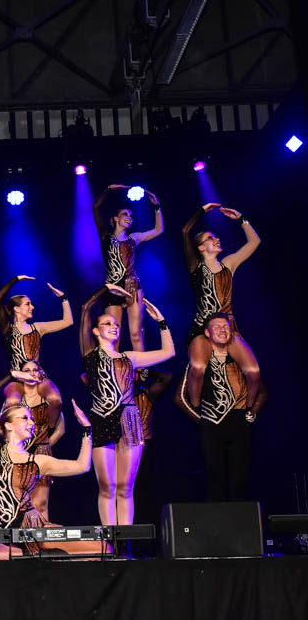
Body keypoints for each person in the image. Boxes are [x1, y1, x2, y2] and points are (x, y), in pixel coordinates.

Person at [0, 400, 100, 560]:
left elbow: (82, 466)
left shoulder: (38, 461)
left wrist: (87, 429)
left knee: (102, 547)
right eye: (25, 418)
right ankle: (31, 555)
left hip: (34, 529)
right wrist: (10, 383)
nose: (32, 423)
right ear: (9, 425)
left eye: (31, 419)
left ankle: (33, 553)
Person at [79, 292, 174, 526]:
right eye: (107, 323)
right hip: (101, 419)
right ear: (95, 331)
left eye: (115, 324)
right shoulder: (90, 355)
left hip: (130, 419)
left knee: (125, 487)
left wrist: (161, 322)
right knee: (107, 486)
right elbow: (85, 309)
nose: (114, 326)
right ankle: (110, 540)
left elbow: (168, 352)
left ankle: (125, 541)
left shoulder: (129, 357)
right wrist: (105, 290)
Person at [181, 203, 262, 415]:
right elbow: (185, 231)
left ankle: (247, 411)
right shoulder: (196, 267)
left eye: (216, 237)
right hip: (202, 328)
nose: (216, 239)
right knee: (199, 368)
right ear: (200, 248)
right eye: (210, 238)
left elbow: (255, 242)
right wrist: (202, 210)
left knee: (253, 371)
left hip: (228, 327)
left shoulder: (229, 264)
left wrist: (241, 219)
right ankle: (196, 408)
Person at [189, 313, 266, 501]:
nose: (223, 330)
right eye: (217, 327)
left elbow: (262, 390)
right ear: (207, 333)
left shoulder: (239, 362)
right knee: (215, 475)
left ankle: (240, 517)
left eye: (225, 326)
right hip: (212, 423)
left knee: (239, 477)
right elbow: (180, 397)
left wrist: (251, 412)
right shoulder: (200, 362)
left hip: (239, 422)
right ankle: (216, 518)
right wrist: (198, 416)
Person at [0, 359, 63, 521]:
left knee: (40, 503)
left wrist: (44, 445)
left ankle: (42, 535)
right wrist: (13, 446)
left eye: (34, 370)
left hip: (40, 453)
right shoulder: (13, 400)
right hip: (17, 453)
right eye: (26, 370)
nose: (31, 373)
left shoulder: (47, 400)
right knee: (22, 503)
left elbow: (59, 429)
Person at [92, 185, 164, 350]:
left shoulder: (134, 238)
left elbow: (158, 229)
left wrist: (156, 206)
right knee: (112, 338)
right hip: (112, 288)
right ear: (116, 218)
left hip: (132, 286)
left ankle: (141, 366)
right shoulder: (105, 237)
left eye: (131, 216)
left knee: (135, 333)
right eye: (125, 214)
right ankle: (115, 367)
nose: (129, 218)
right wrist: (108, 190)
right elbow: (96, 207)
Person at [0, 275, 72, 402]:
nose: (32, 307)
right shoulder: (8, 329)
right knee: (13, 402)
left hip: (39, 376)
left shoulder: (38, 327)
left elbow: (67, 321)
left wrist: (64, 298)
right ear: (16, 309)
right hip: (18, 379)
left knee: (55, 399)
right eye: (28, 304)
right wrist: (16, 279)